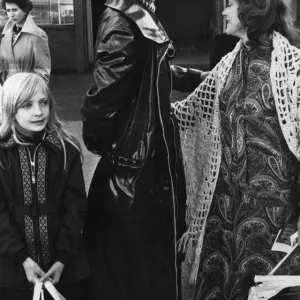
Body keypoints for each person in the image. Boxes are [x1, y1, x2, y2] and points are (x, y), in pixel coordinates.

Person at [172, 0, 300, 299]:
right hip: (226, 204)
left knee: (262, 288)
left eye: (231, 5)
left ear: (251, 13)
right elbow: (197, 103)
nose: (225, 11)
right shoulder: (233, 58)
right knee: (219, 281)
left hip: (271, 212)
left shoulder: (292, 68)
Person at [81, 0, 207, 299]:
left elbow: (151, 68)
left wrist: (198, 78)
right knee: (140, 269)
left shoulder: (133, 14)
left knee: (142, 266)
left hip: (141, 160)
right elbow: (103, 98)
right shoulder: (123, 19)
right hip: (137, 168)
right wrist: (103, 142)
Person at [0, 73, 89, 300]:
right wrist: (22, 258)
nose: (38, 112)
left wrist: (63, 258)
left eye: (43, 102)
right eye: (27, 105)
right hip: (11, 268)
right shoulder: (2, 154)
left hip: (63, 265)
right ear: (11, 109)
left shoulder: (66, 148)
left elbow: (76, 207)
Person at [0, 0, 51, 84]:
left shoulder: (37, 35)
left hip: (28, 90)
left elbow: (43, 73)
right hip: (8, 90)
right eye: (8, 10)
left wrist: (28, 90)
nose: (11, 15)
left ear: (25, 10)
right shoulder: (6, 35)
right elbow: (2, 66)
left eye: (14, 10)